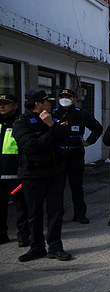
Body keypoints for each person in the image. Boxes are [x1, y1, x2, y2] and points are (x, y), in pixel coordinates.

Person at [12, 89, 70, 261]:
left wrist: (51, 125)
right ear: (37, 103)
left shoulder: (53, 119)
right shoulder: (22, 122)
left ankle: (55, 246)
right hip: (32, 174)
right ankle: (36, 247)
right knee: (34, 213)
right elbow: (31, 146)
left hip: (54, 172)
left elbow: (64, 138)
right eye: (46, 101)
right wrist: (50, 130)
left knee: (56, 211)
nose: (50, 104)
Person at [52, 88, 103, 224]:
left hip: (76, 154)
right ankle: (57, 215)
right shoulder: (53, 114)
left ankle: (80, 214)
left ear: (74, 98)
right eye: (62, 96)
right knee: (57, 188)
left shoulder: (81, 114)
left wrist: (89, 141)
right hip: (58, 155)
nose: (64, 98)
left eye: (68, 96)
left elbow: (97, 128)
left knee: (77, 187)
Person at [0, 94, 29, 247]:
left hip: (16, 172)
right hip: (0, 172)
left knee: (21, 207)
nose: (2, 106)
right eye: (0, 104)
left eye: (6, 103)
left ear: (15, 106)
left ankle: (23, 235)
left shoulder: (20, 123)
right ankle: (2, 234)